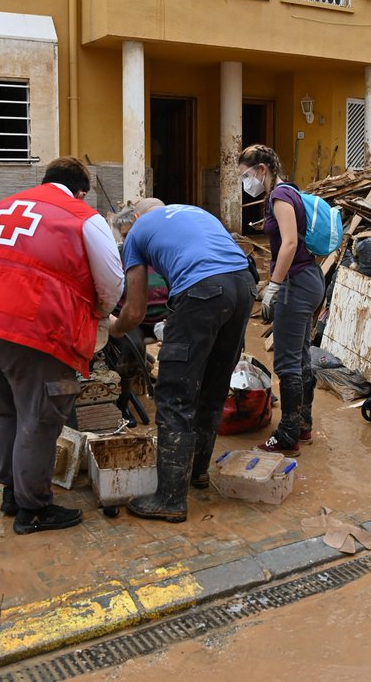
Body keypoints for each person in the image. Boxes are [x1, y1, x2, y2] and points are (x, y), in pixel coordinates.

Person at [0, 158, 124, 534]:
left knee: (5, 412)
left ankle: (12, 495)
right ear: (80, 192)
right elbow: (112, 282)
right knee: (39, 419)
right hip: (29, 328)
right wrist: (98, 314)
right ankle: (34, 510)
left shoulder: (4, 207)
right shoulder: (82, 216)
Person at [109, 198, 255, 523]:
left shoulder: (136, 233)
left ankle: (170, 499)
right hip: (244, 286)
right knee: (214, 385)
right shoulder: (195, 212)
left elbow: (135, 311)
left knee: (174, 392)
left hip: (203, 289)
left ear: (135, 216)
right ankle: (197, 472)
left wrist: (113, 327)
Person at [237, 144, 324, 457]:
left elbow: (288, 245)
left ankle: (288, 436)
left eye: (246, 175)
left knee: (287, 361)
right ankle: (303, 425)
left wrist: (274, 285)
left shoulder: (280, 196)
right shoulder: (290, 192)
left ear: (262, 169)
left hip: (295, 283)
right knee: (300, 355)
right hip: (307, 279)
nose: (245, 182)